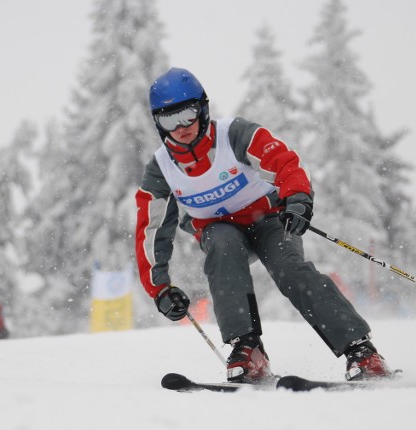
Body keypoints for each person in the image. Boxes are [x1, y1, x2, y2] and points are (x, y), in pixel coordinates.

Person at [134, 67, 393, 383]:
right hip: (219, 230)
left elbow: (283, 163)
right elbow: (150, 231)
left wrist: (297, 198)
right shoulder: (161, 169)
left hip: (268, 220)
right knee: (222, 244)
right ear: (157, 123)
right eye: (169, 120)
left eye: (187, 114)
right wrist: (159, 288)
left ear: (202, 108)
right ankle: (248, 348)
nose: (182, 127)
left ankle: (361, 350)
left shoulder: (235, 135)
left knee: (291, 270)